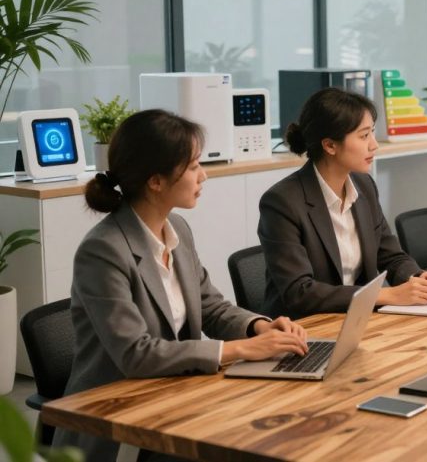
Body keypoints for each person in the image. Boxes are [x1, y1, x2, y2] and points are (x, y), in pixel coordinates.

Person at [55, 110, 308, 461]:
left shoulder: (177, 229)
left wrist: (259, 328)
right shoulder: (103, 250)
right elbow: (136, 354)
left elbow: (210, 307)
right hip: (119, 420)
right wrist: (239, 350)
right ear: (156, 181)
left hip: (175, 397)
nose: (203, 175)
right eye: (193, 167)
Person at [259, 87, 427, 319]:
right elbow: (300, 292)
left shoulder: (364, 186)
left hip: (356, 319)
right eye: (364, 136)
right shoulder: (282, 202)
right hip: (303, 327)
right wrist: (384, 295)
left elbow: (391, 256)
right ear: (330, 145)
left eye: (372, 133)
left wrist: (418, 279)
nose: (374, 145)